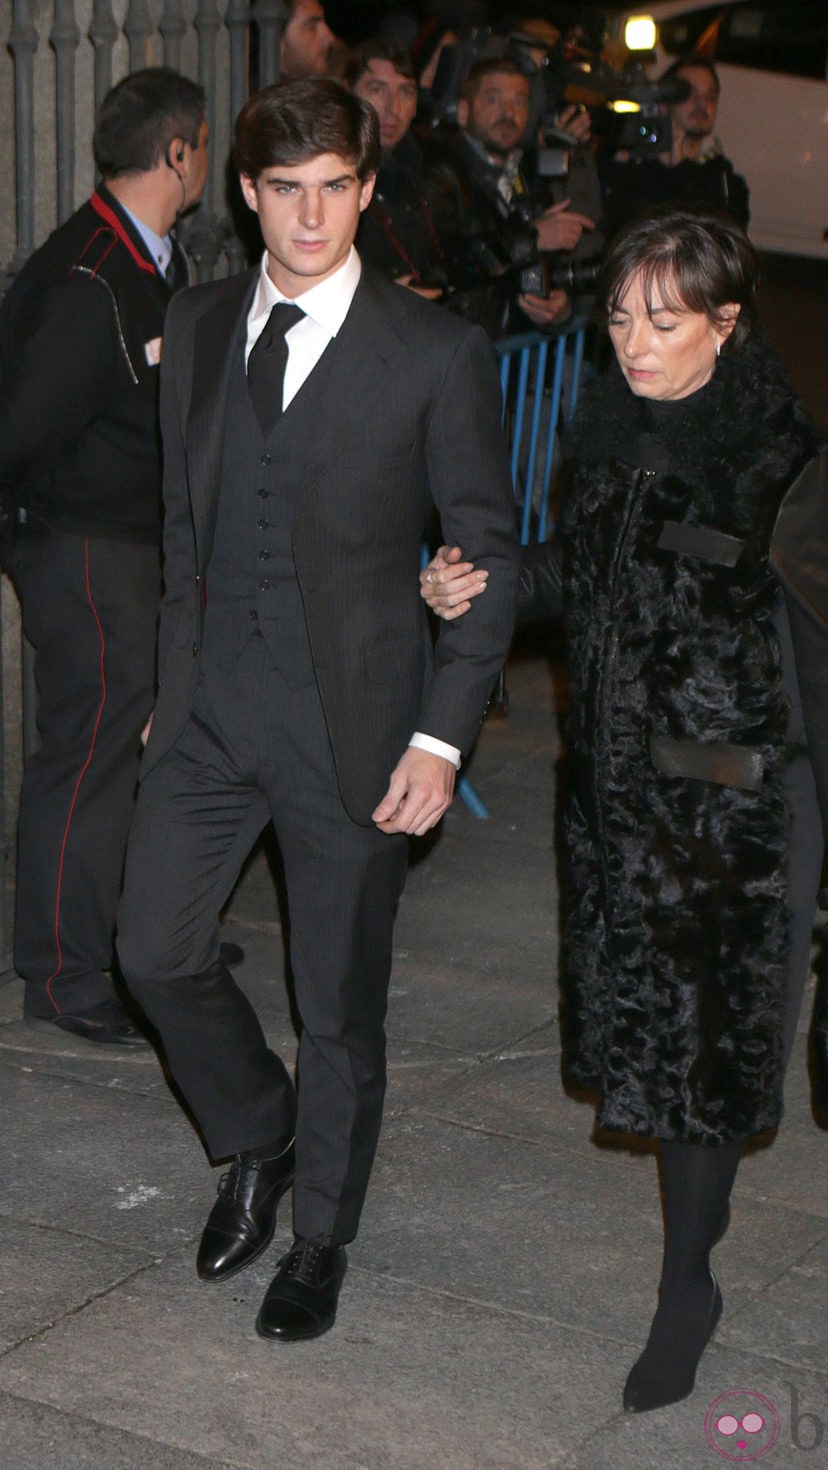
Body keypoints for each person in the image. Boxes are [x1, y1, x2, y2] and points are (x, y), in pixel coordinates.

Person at [421, 208, 828, 1412]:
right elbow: (576, 575)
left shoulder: (789, 461)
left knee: (705, 1064)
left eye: (663, 321)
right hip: (614, 809)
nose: (631, 343)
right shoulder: (612, 429)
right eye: (620, 317)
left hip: (734, 825)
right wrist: (476, 580)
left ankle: (686, 1284)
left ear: (725, 325)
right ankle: (690, 1263)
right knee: (643, 1045)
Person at [114, 79, 519, 1344]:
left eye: (334, 186)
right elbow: (183, 527)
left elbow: (488, 551)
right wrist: (167, 685)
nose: (310, 214)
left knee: (336, 1008)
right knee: (153, 951)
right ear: (245, 193)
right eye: (284, 189)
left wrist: (442, 738)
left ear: (366, 190)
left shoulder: (434, 351)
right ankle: (258, 1134)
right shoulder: (194, 318)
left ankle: (320, 1239)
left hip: (357, 731)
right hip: (210, 712)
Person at [0, 68, 210, 1047]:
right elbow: (21, 430)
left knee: (131, 758)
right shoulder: (92, 274)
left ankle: (132, 942)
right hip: (85, 549)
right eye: (203, 143)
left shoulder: (152, 257)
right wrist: (43, 534)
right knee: (82, 763)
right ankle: (60, 974)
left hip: (130, 546)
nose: (208, 160)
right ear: (177, 153)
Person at [429, 56, 595, 335]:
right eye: (493, 100)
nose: (508, 112)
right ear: (463, 111)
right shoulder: (439, 173)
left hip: (507, 362)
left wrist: (559, 308)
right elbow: (448, 265)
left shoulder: (526, 176)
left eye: (519, 102)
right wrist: (533, 239)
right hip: (455, 352)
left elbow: (546, 273)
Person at [345, 39, 453, 301]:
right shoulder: (328, 175)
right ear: (347, 95)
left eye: (405, 92)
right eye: (377, 89)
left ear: (417, 104)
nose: (393, 108)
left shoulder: (433, 175)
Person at [602, 54, 749, 236]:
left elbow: (717, 241)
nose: (702, 103)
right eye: (688, 93)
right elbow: (617, 228)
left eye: (710, 96)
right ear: (663, 102)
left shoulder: (727, 182)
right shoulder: (633, 163)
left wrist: (679, 168)